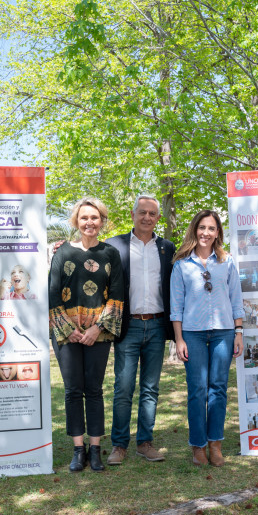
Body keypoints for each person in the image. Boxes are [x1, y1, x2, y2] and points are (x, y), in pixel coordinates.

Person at [49, 197, 124, 472]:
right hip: (67, 333)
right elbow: (53, 293)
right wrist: (69, 331)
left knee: (94, 390)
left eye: (95, 217)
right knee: (72, 391)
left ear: (102, 221)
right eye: (84, 218)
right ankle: (78, 450)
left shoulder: (110, 254)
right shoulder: (62, 253)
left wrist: (97, 328)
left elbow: (116, 295)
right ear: (76, 222)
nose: (89, 222)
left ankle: (95, 450)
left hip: (98, 333)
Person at [106, 195, 175, 465]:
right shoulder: (114, 245)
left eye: (153, 213)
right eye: (142, 212)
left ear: (158, 217)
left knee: (150, 389)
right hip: (128, 325)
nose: (147, 217)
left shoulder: (167, 248)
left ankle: (145, 443)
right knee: (123, 388)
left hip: (157, 325)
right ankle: (119, 445)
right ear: (133, 214)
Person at [171, 210, 244, 467]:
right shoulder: (181, 265)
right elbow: (176, 306)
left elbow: (236, 300)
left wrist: (239, 333)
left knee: (218, 390)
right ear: (195, 230)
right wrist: (179, 339)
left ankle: (215, 445)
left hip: (224, 332)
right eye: (202, 227)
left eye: (211, 228)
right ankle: (198, 446)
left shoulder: (227, 262)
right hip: (193, 334)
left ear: (217, 233)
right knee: (197, 390)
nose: (206, 233)